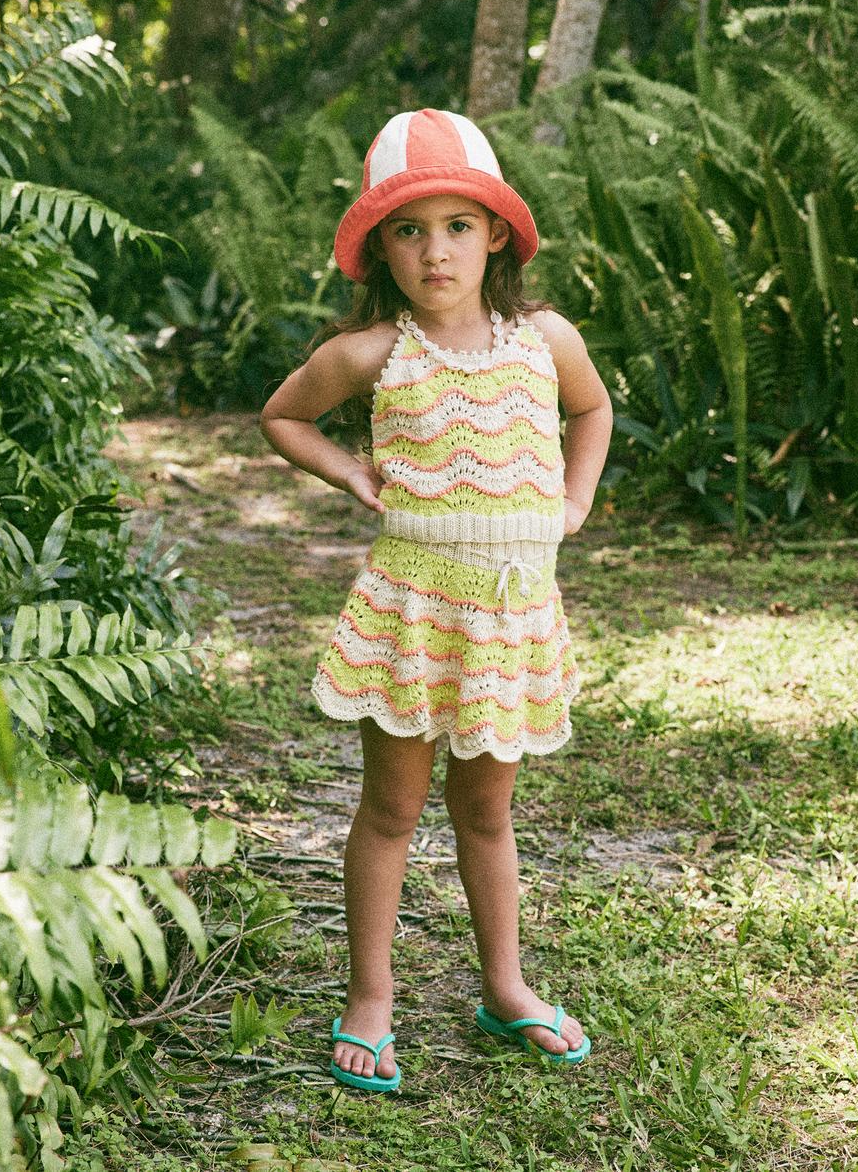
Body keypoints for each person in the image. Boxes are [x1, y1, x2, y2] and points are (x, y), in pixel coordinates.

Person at [260, 108, 613, 1092]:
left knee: (488, 812)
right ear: (381, 246)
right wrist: (349, 473)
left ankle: (504, 983)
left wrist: (576, 493)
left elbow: (591, 407)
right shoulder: (373, 353)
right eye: (409, 230)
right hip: (413, 615)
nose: (435, 250)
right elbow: (283, 415)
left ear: (496, 232)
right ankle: (369, 994)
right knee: (389, 806)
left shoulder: (544, 338)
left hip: (509, 618)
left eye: (457, 225)